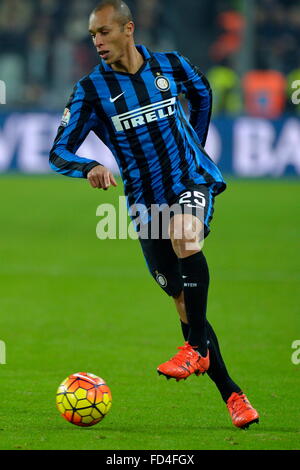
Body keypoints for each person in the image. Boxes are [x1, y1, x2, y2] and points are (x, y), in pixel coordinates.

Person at [49, 0, 259, 429]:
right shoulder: (92, 89)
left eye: (104, 32)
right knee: (183, 303)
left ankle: (195, 348)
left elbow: (202, 93)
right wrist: (87, 166)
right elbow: (58, 150)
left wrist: (195, 149)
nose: (98, 42)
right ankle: (233, 394)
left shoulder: (171, 65)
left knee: (186, 235)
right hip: (145, 202)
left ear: (128, 29)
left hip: (189, 181)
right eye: (92, 36)